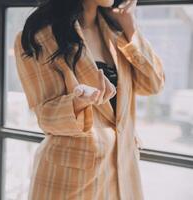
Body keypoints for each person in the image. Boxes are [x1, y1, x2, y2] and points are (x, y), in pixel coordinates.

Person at [14, 0, 165, 199]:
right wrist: (78, 103)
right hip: (70, 180)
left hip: (122, 174)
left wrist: (130, 25)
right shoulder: (39, 37)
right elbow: (46, 117)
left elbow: (153, 84)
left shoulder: (117, 31)